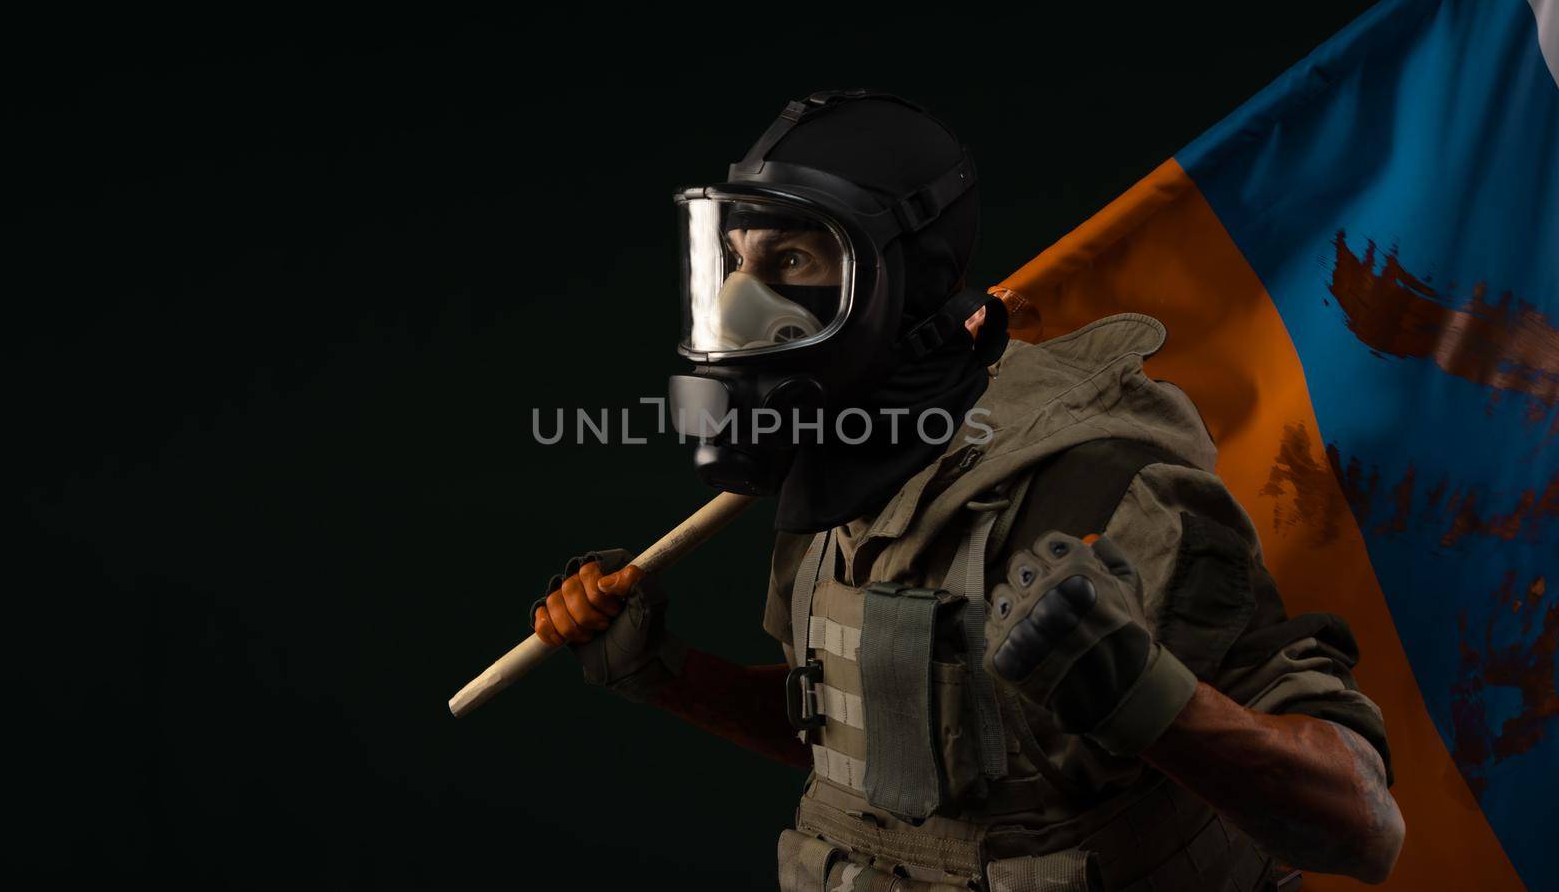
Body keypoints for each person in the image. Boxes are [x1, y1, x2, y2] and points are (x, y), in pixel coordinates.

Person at [531, 91, 1404, 891]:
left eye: (791, 257)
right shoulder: (837, 481)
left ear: (902, 280)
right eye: (733, 258)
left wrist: (1149, 700)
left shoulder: (1098, 489)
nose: (739, 309)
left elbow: (1361, 822)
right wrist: (666, 672)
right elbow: (869, 733)